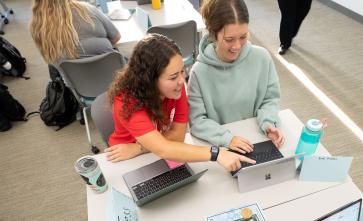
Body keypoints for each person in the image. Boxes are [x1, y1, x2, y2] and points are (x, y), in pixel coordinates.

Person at [106, 34, 255, 172]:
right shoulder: (126, 102)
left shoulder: (175, 88)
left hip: (147, 152)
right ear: (149, 80)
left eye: (182, 71)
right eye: (172, 77)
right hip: (124, 158)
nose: (181, 81)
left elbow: (177, 138)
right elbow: (165, 149)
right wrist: (216, 153)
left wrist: (138, 148)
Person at [188, 0, 284, 155]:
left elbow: (270, 99)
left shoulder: (262, 58)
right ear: (213, 34)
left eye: (243, 37)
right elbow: (197, 121)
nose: (237, 46)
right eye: (229, 39)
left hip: (259, 139)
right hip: (224, 149)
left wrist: (268, 123)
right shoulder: (199, 73)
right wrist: (227, 139)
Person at [29, 0, 121, 80]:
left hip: (81, 92)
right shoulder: (86, 9)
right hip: (118, 81)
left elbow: (50, 60)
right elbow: (116, 37)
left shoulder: (36, 26)